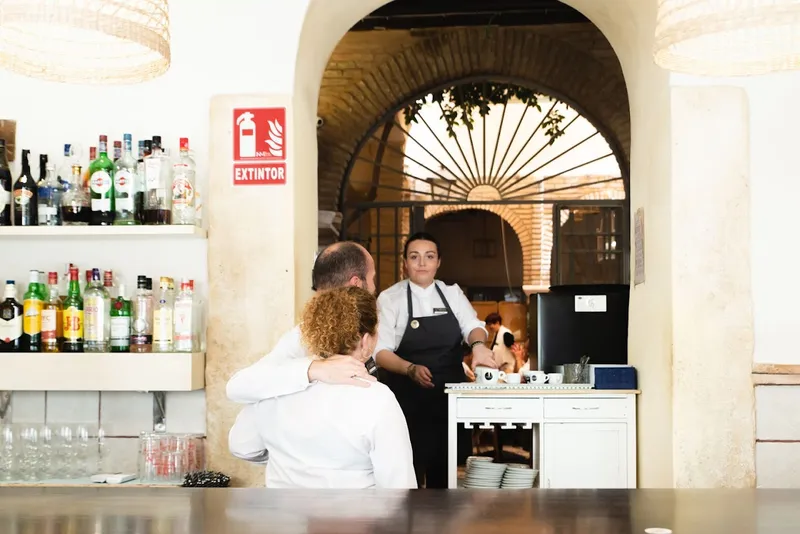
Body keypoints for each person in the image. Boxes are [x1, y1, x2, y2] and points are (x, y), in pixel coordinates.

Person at [228, 286, 417, 489]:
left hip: (282, 518)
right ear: (366, 341)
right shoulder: (379, 399)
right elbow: (399, 489)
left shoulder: (275, 388)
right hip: (356, 518)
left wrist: (290, 460)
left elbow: (242, 446)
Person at [374, 232, 497, 488]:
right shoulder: (390, 298)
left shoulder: (452, 294)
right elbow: (381, 352)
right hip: (407, 398)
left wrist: (478, 347)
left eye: (429, 257)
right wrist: (409, 369)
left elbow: (473, 326)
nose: (422, 263)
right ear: (404, 263)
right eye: (414, 257)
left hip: (447, 399)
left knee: (446, 474)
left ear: (438, 262)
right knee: (408, 472)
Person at [225, 241, 379, 405]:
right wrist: (315, 369)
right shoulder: (304, 337)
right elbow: (237, 387)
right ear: (356, 283)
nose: (374, 286)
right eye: (372, 278)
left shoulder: (370, 323)